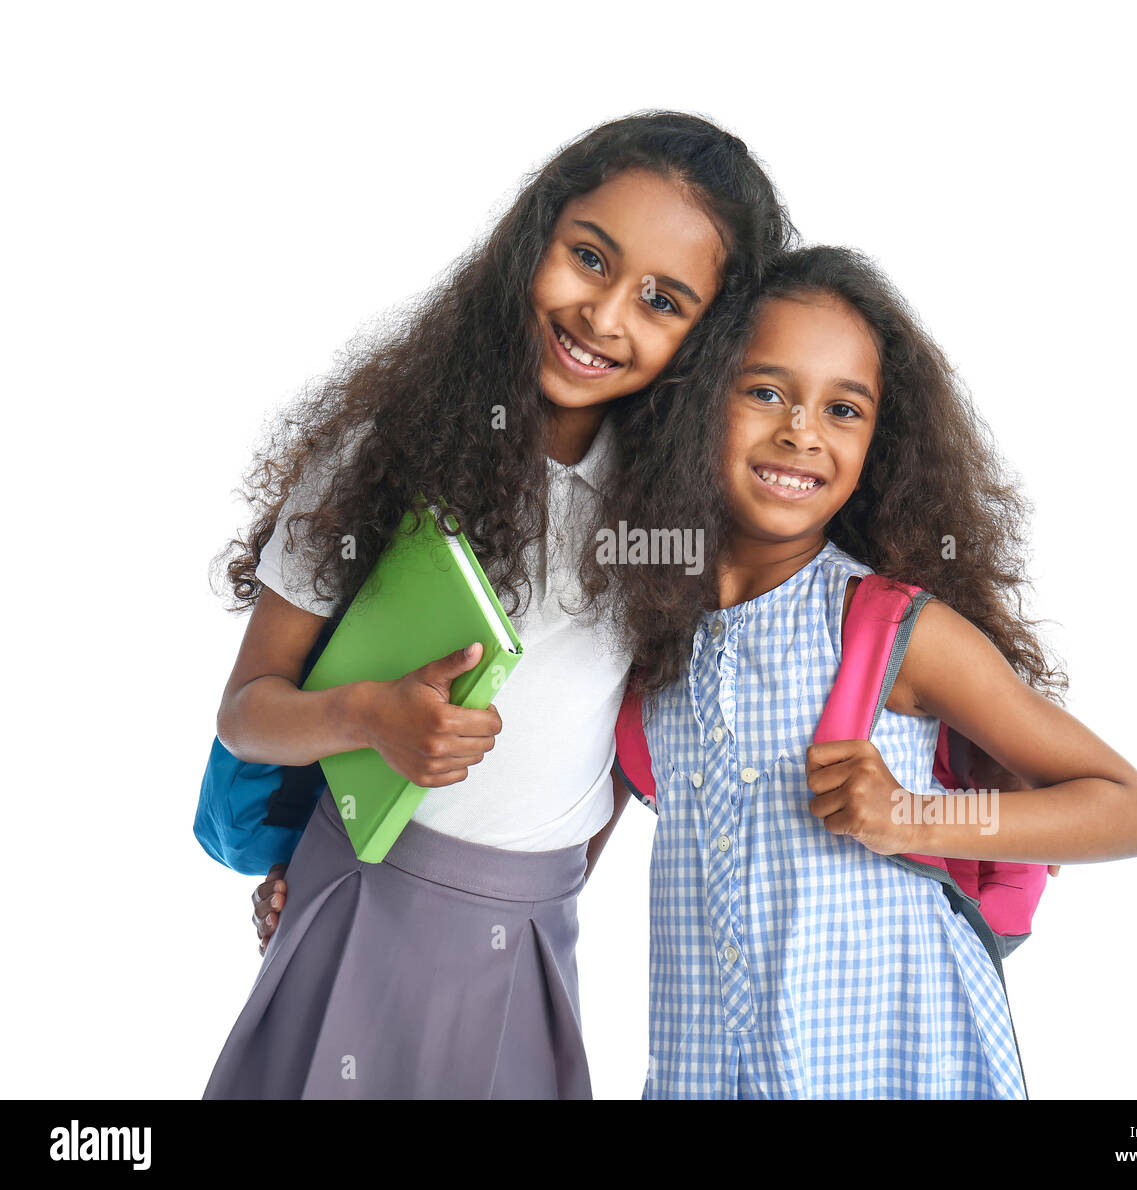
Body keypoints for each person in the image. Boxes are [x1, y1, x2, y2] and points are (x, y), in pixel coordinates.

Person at [202, 111, 794, 1099]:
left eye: (662, 298)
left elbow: (616, 747)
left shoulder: (681, 516)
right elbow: (246, 709)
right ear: (535, 235)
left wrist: (553, 891)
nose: (605, 315)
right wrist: (365, 718)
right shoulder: (389, 455)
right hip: (364, 889)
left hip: (533, 924)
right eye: (589, 257)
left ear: (711, 337)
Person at [625, 245, 1137, 1099]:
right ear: (694, 404)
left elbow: (1130, 811)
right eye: (766, 391)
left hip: (897, 1068)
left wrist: (913, 814)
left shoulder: (887, 631)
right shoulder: (649, 640)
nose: (802, 430)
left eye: (844, 409)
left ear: (880, 442)